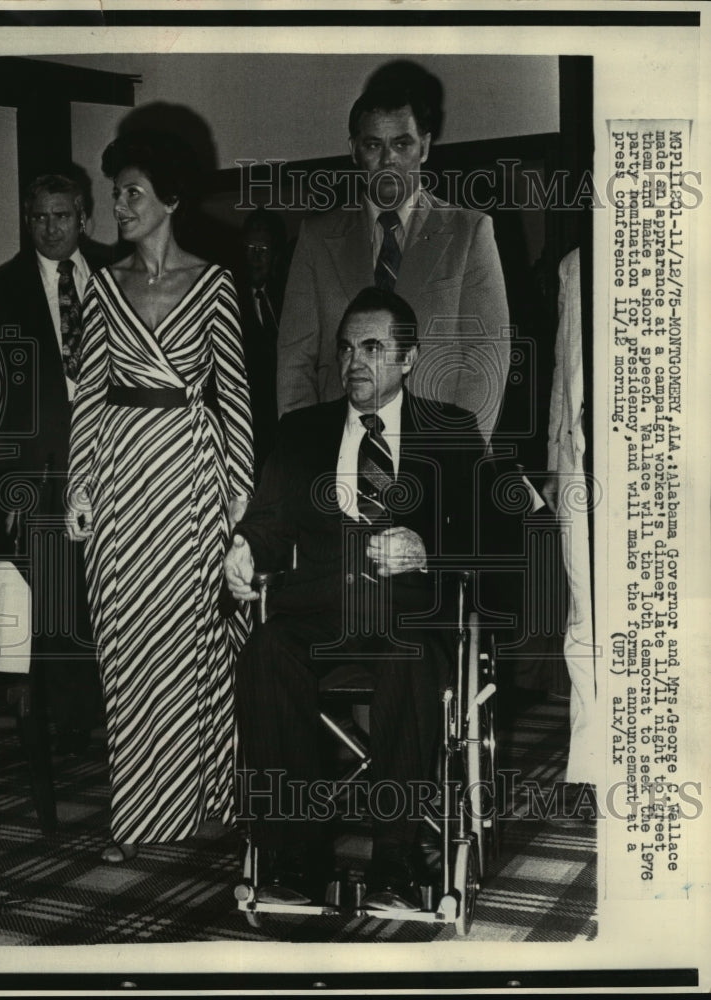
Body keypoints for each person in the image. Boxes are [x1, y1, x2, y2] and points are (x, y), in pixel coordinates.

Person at [225, 287, 501, 910]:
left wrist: (429, 551)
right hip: (319, 608)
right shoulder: (301, 433)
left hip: (408, 615)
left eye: (373, 348)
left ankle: (396, 867)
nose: (355, 361)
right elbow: (266, 525)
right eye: (347, 347)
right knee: (266, 649)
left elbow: (493, 540)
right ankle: (296, 860)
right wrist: (244, 551)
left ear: (408, 359)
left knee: (409, 657)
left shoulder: (450, 431)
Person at [66, 130, 255, 862]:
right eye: (114, 193)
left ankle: (207, 801)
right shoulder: (102, 286)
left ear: (170, 199)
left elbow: (235, 397)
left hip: (189, 484)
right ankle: (138, 814)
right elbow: (86, 395)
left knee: (192, 640)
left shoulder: (214, 284)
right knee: (126, 642)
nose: (118, 205)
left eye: (132, 192)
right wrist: (81, 484)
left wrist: (240, 499)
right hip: (120, 481)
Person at [276, 73, 510, 446]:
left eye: (402, 144)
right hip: (337, 453)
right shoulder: (316, 239)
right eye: (373, 145)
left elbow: (487, 362)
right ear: (354, 150)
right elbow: (294, 364)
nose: (388, 160)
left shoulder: (470, 233)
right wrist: (306, 453)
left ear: (425, 147)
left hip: (437, 452)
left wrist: (458, 458)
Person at [0, 173, 105, 756]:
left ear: (83, 217)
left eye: (59, 216)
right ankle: (74, 721)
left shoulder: (116, 269)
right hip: (45, 469)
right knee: (58, 594)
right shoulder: (5, 286)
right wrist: (3, 474)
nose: (48, 228)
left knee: (112, 583)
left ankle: (127, 707)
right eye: (37, 218)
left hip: (112, 455)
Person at [542, 248, 597, 819]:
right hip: (581, 470)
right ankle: (587, 763)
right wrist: (555, 468)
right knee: (583, 619)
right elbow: (563, 372)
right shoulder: (573, 265)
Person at [237, 207, 288, 480]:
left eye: (263, 249)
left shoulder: (288, 299)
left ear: (276, 255)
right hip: (249, 430)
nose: (255, 257)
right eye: (249, 248)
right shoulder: (228, 303)